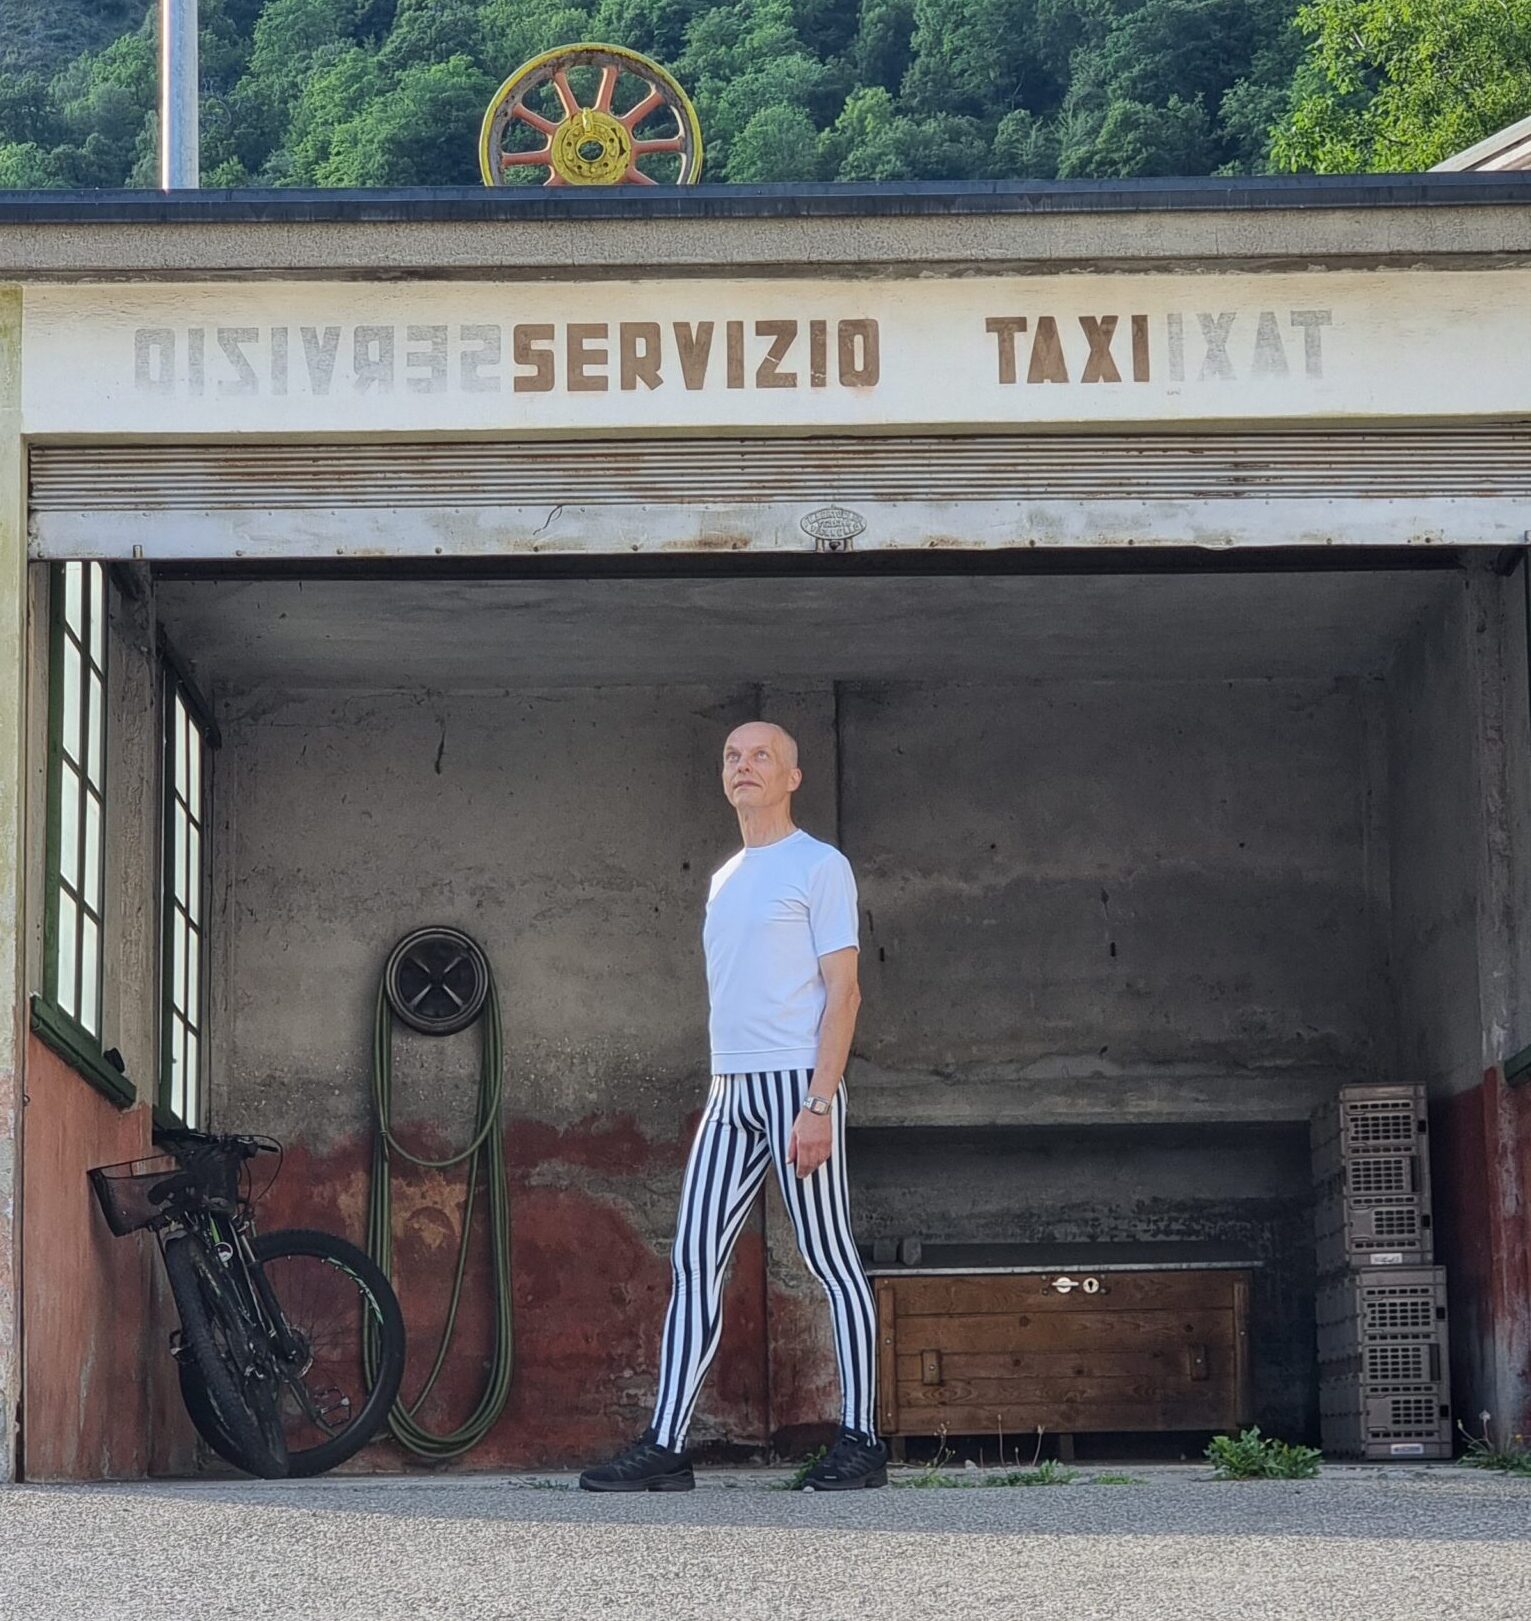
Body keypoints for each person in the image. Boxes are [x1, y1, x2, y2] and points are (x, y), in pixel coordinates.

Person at [579, 720, 887, 1493]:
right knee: (692, 1262)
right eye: (731, 756)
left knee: (829, 1259)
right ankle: (665, 1444)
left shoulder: (820, 866)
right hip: (730, 1091)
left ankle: (862, 1439)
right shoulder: (723, 876)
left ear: (792, 776)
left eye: (760, 756)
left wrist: (818, 1101)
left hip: (795, 1087)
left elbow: (844, 992)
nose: (742, 766)